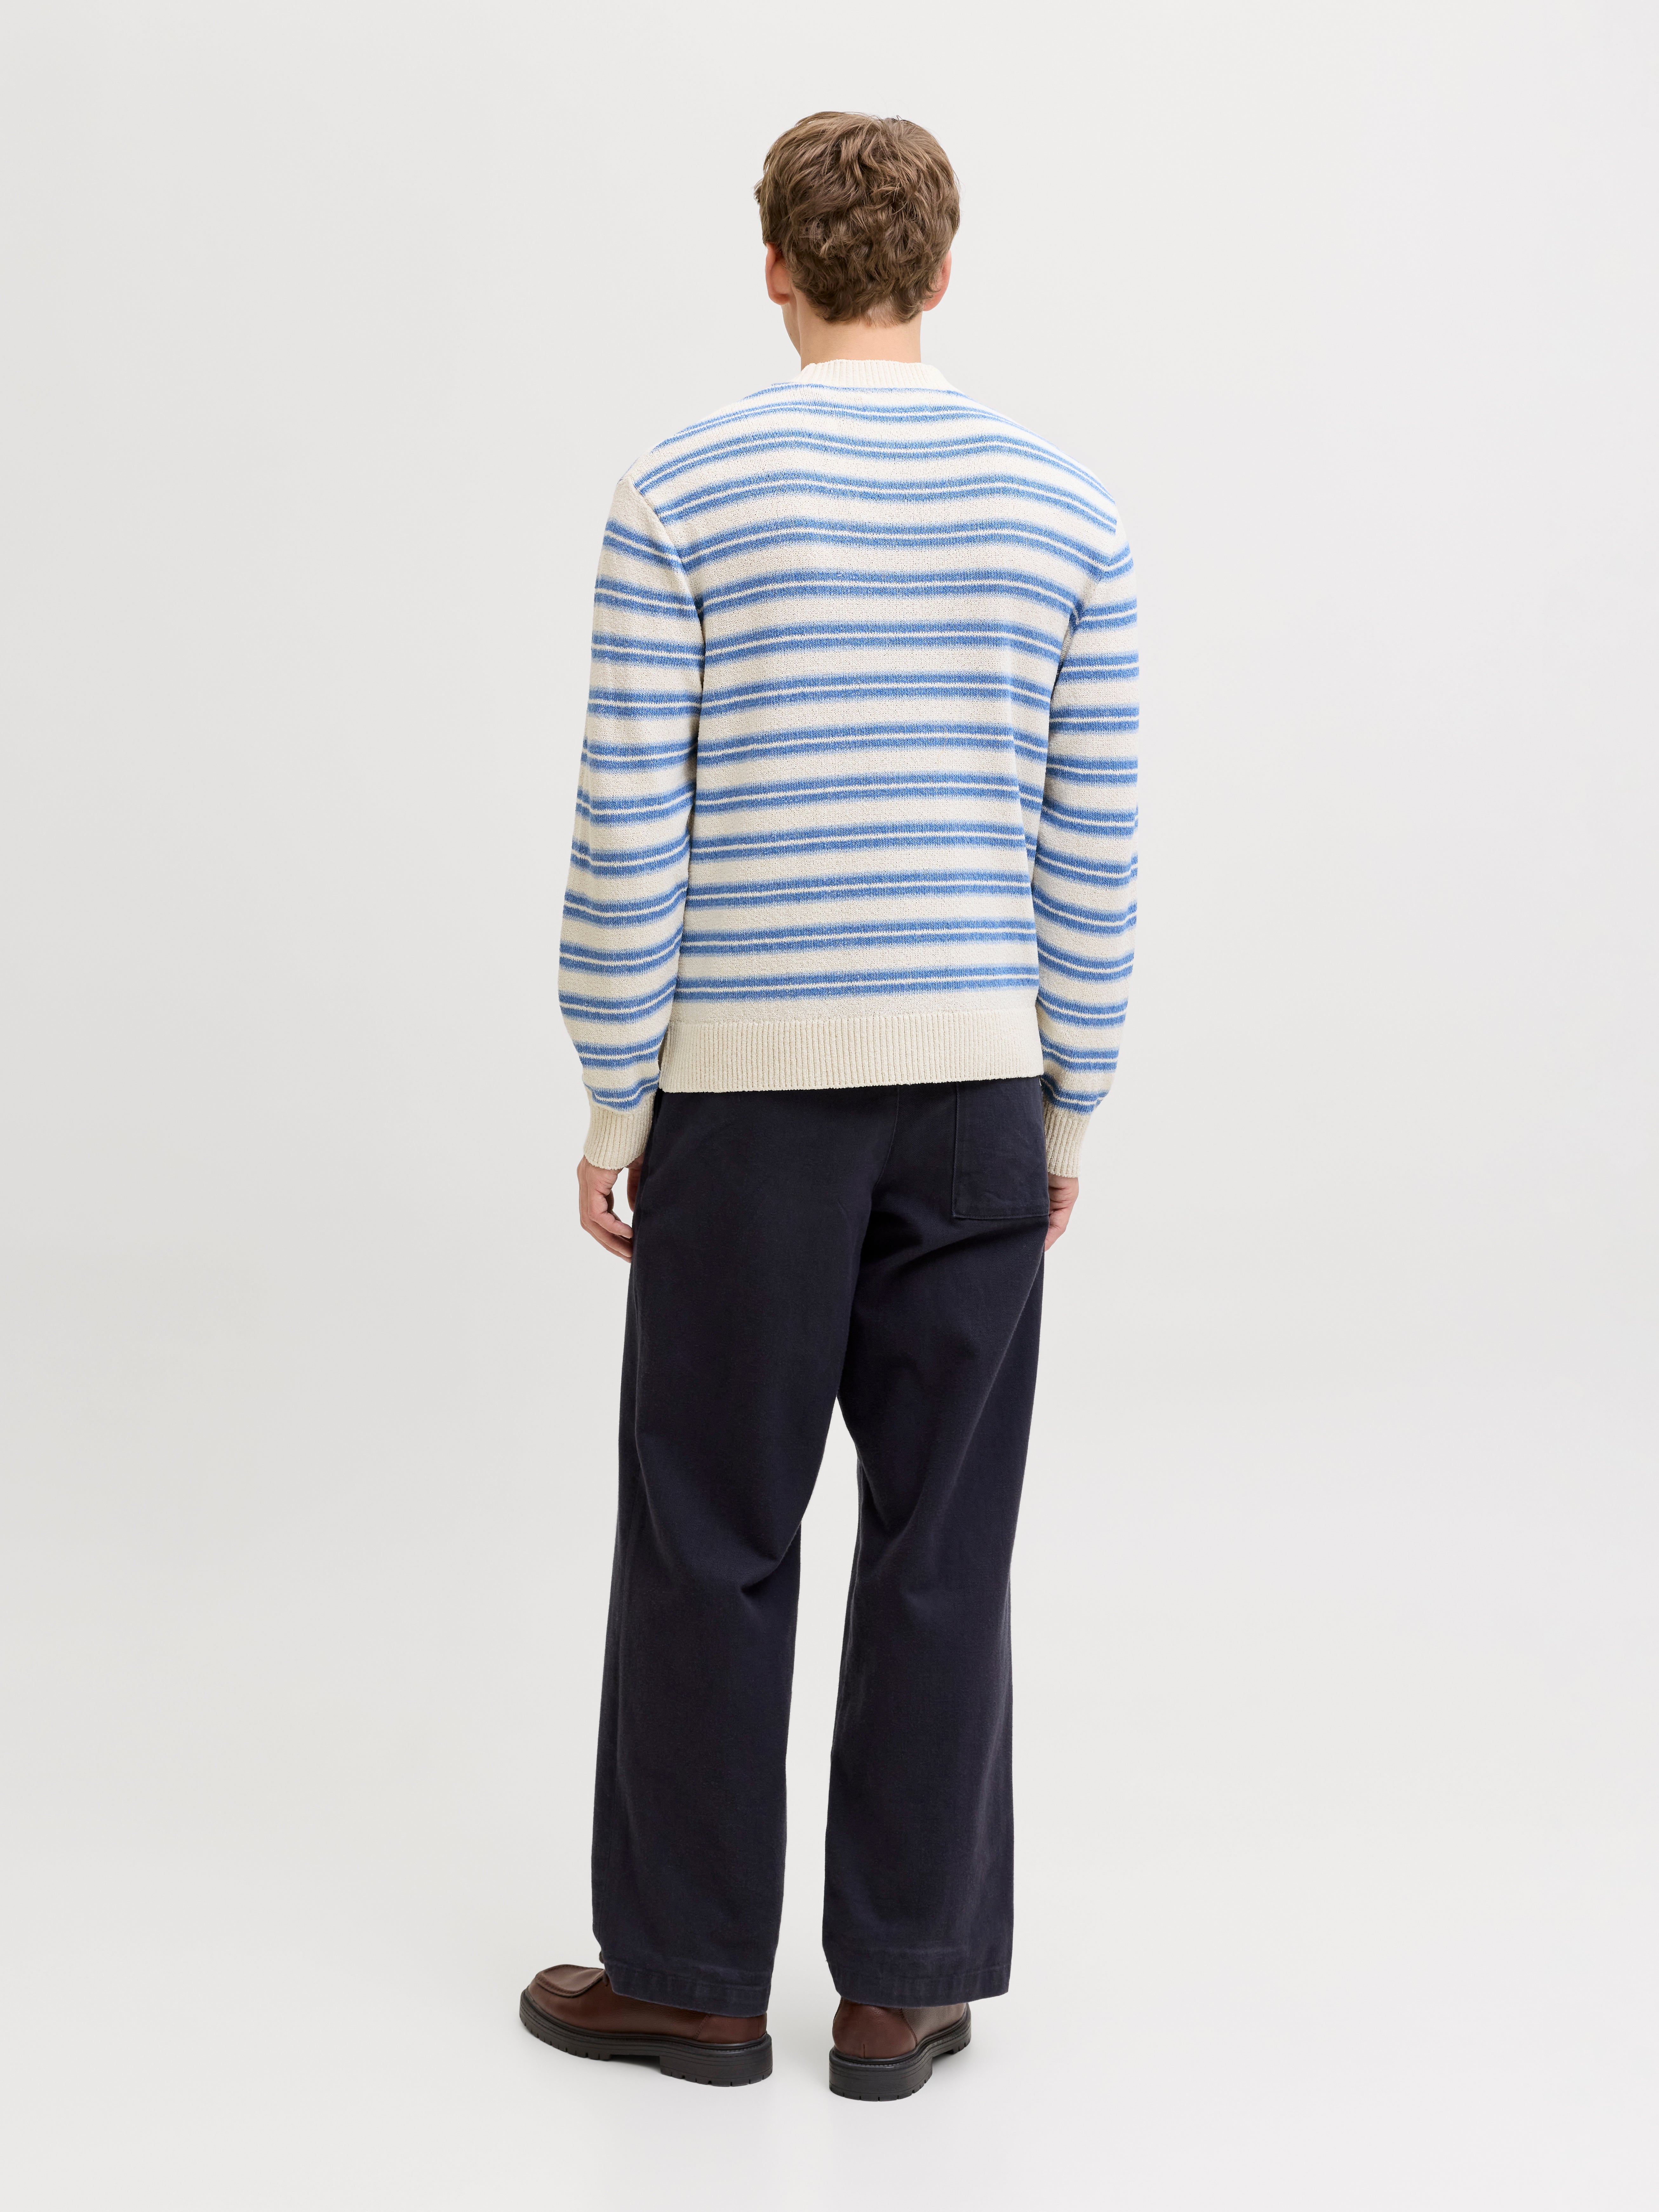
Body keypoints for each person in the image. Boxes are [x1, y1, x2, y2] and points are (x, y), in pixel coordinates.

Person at [519, 110, 1138, 2100]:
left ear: (775, 270)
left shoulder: (684, 492)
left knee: (711, 1527)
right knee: (943, 1538)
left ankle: (694, 1978)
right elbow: (1092, 846)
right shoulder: (1068, 511)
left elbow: (633, 822)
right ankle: (902, 1985)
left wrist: (617, 1098)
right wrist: (1068, 1109)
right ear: (942, 274)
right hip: (977, 1095)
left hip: (749, 1103)